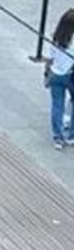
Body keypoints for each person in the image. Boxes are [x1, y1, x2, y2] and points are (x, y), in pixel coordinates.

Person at [46, 9, 74, 149]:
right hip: (69, 75)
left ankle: (58, 137)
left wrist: (47, 73)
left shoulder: (57, 37)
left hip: (55, 74)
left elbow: (50, 58)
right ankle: (71, 135)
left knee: (57, 105)